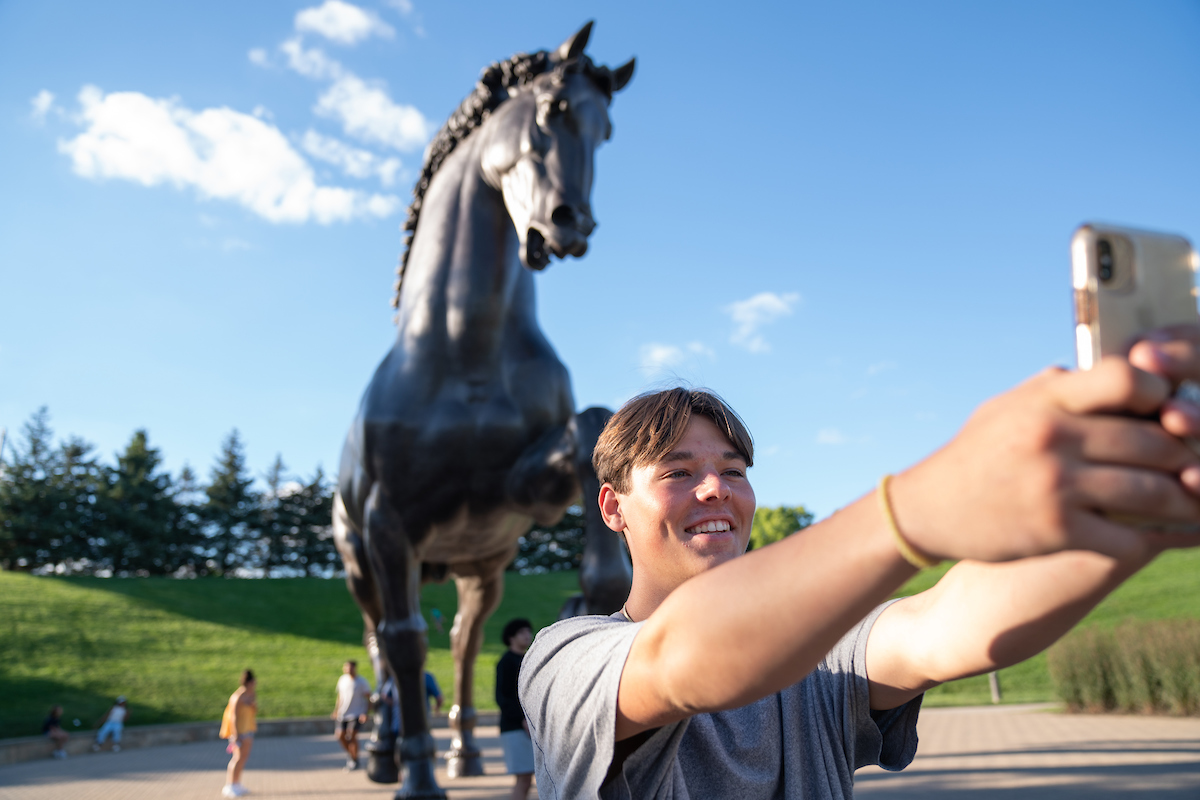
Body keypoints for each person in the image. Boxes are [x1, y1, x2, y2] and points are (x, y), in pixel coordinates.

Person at [519, 327, 1200, 800]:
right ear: (612, 508)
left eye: (733, 470)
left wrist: (1131, 515)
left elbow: (949, 622)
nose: (716, 488)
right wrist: (920, 509)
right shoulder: (565, 659)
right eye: (678, 470)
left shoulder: (814, 656)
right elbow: (680, 660)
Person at [497, 618, 536, 800]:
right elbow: (503, 697)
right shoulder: (506, 662)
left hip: (529, 726)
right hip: (514, 727)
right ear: (511, 638)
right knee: (523, 778)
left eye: (528, 631)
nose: (527, 635)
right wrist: (522, 719)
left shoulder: (529, 660)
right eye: (522, 632)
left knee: (527, 779)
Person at [219, 669, 257, 798]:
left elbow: (254, 711)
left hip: (248, 730)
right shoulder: (238, 696)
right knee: (237, 758)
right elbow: (233, 717)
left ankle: (237, 783)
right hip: (239, 732)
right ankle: (229, 785)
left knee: (243, 758)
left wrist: (252, 704)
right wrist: (235, 735)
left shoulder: (250, 695)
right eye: (253, 682)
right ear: (249, 682)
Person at [331, 660, 372, 771]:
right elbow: (340, 696)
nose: (348, 670)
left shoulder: (361, 682)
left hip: (356, 713)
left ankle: (354, 760)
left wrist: (365, 713)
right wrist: (336, 710)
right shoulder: (342, 680)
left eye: (350, 667)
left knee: (352, 735)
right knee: (340, 735)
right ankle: (352, 756)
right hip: (343, 713)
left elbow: (369, 698)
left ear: (355, 668)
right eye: (346, 667)